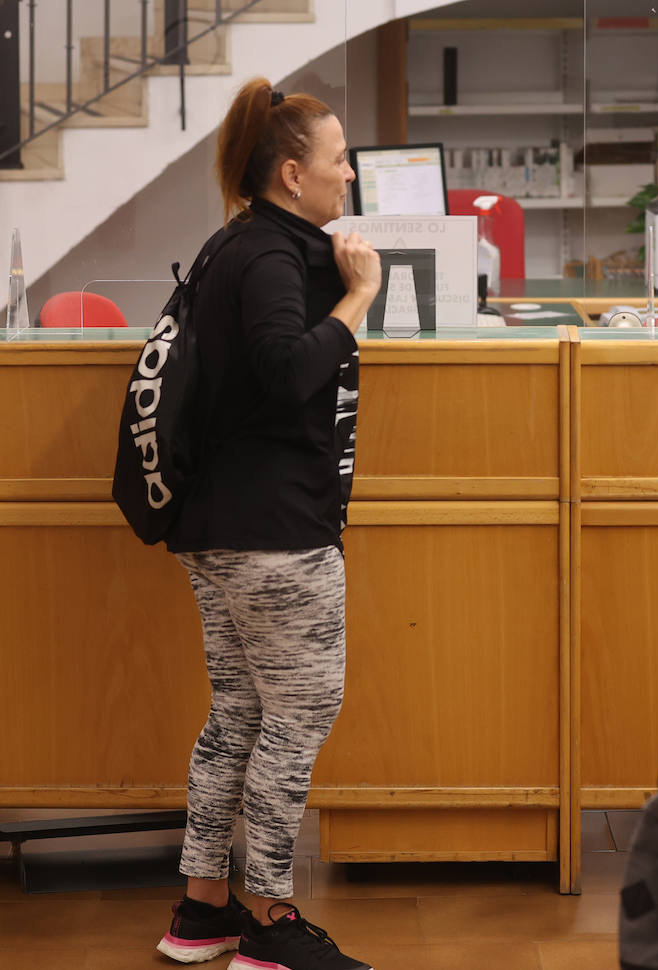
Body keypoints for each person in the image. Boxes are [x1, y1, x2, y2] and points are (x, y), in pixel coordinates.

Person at [154, 77, 380, 970]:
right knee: (297, 717)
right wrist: (358, 296)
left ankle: (201, 910)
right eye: (338, 161)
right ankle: (273, 921)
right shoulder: (277, 259)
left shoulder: (233, 244)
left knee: (240, 716)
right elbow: (289, 371)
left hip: (218, 529)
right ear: (293, 174)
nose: (351, 175)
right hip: (275, 536)